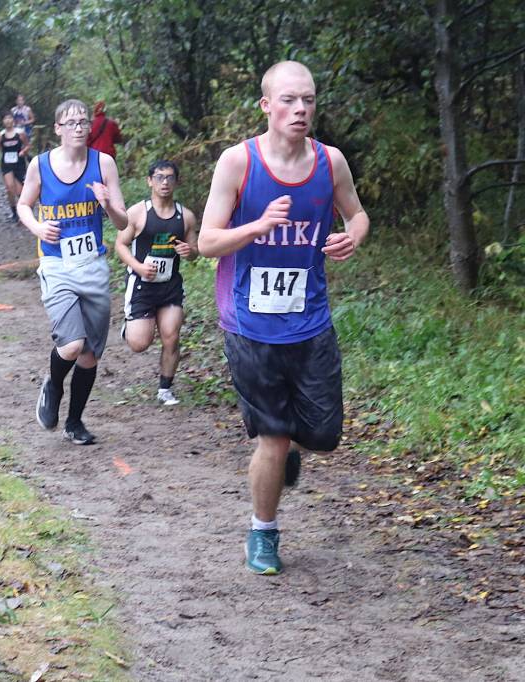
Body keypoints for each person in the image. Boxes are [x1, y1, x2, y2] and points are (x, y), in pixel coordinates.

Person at [197, 61, 369, 575]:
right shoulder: (238, 162)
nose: (300, 110)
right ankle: (263, 533)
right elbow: (207, 243)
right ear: (266, 106)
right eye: (289, 100)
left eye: (309, 100)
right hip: (249, 323)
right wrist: (257, 225)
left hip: (310, 321)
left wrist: (351, 236)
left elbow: (356, 213)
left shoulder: (330, 162)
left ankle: (285, 451)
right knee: (272, 436)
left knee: (323, 434)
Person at [18, 98, 129, 445]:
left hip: (92, 265)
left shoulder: (104, 163)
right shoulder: (40, 165)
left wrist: (107, 202)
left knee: (90, 355)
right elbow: (23, 204)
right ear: (58, 129)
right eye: (72, 123)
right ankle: (52, 386)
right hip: (56, 264)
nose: (80, 128)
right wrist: (38, 228)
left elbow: (124, 222)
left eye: (84, 122)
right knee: (72, 345)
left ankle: (75, 422)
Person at [115, 160, 198, 406]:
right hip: (142, 285)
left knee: (171, 336)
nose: (165, 183)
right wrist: (138, 267)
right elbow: (120, 244)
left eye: (170, 178)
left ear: (176, 182)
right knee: (140, 343)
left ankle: (165, 389)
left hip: (170, 285)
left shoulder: (186, 216)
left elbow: (194, 251)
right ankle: (130, 328)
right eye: (160, 177)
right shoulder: (138, 213)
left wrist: (189, 251)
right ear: (150, 180)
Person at [0, 113, 30, 221]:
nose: (8, 121)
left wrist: (23, 151)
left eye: (10, 118)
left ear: (13, 120)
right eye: (5, 119)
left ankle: (24, 211)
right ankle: (14, 213)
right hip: (6, 164)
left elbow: (28, 145)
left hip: (19, 164)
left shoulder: (20, 133)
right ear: (3, 121)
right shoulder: (0, 135)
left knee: (20, 192)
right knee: (9, 187)